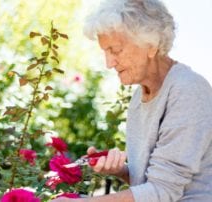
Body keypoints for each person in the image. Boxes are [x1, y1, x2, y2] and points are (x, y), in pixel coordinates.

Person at [51, 0, 212, 201]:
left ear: (151, 45)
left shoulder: (188, 91)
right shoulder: (139, 97)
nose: (109, 63)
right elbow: (150, 185)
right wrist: (120, 170)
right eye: (105, 52)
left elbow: (164, 191)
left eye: (116, 50)